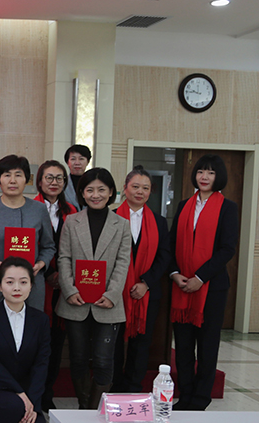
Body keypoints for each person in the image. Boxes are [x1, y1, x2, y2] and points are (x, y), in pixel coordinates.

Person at [56, 168, 131, 409]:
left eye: (101, 190)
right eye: (89, 190)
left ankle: (95, 410)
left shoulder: (122, 224)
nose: (95, 195)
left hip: (108, 304)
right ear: (82, 193)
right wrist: (69, 290)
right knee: (78, 358)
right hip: (75, 302)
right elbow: (64, 257)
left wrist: (112, 294)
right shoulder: (71, 221)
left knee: (103, 360)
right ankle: (84, 407)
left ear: (111, 193)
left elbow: (123, 262)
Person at [169, 154, 238, 411]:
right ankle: (185, 395)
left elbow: (227, 249)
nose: (204, 177)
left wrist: (200, 278)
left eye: (210, 172)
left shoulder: (228, 207)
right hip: (181, 285)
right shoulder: (184, 205)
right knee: (183, 346)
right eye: (200, 171)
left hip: (212, 288)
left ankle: (200, 398)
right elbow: (172, 243)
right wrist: (175, 273)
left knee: (207, 345)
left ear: (218, 177)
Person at [112, 166, 171, 394]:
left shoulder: (159, 221)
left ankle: (133, 388)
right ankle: (115, 388)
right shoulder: (111, 217)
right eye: (135, 186)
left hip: (147, 292)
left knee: (142, 343)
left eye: (145, 188)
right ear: (125, 188)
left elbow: (164, 256)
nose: (140, 192)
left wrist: (146, 283)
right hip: (115, 292)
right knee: (114, 343)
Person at [0, 257, 51, 423]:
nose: (17, 288)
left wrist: (32, 403)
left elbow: (41, 365)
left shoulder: (41, 320)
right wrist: (19, 393)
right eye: (10, 282)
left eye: (23, 282)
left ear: (31, 285)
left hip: (28, 392)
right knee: (11, 406)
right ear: (0, 286)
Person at [0, 155, 56, 311]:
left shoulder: (39, 209)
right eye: (7, 175)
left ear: (26, 179)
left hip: (31, 282)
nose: (12, 180)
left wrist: (40, 264)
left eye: (18, 175)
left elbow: (49, 246)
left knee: (30, 323)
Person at [32, 160, 78, 410]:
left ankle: (47, 393)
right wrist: (48, 272)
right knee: (35, 339)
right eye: (49, 177)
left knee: (55, 342)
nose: (54, 182)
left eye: (59, 178)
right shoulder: (29, 208)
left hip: (64, 284)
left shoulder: (72, 211)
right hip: (37, 280)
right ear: (39, 181)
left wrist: (63, 275)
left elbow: (77, 247)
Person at [63, 145, 92, 211]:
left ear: (87, 162)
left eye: (81, 159)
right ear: (67, 162)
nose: (77, 163)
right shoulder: (62, 184)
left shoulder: (93, 183)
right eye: (73, 159)